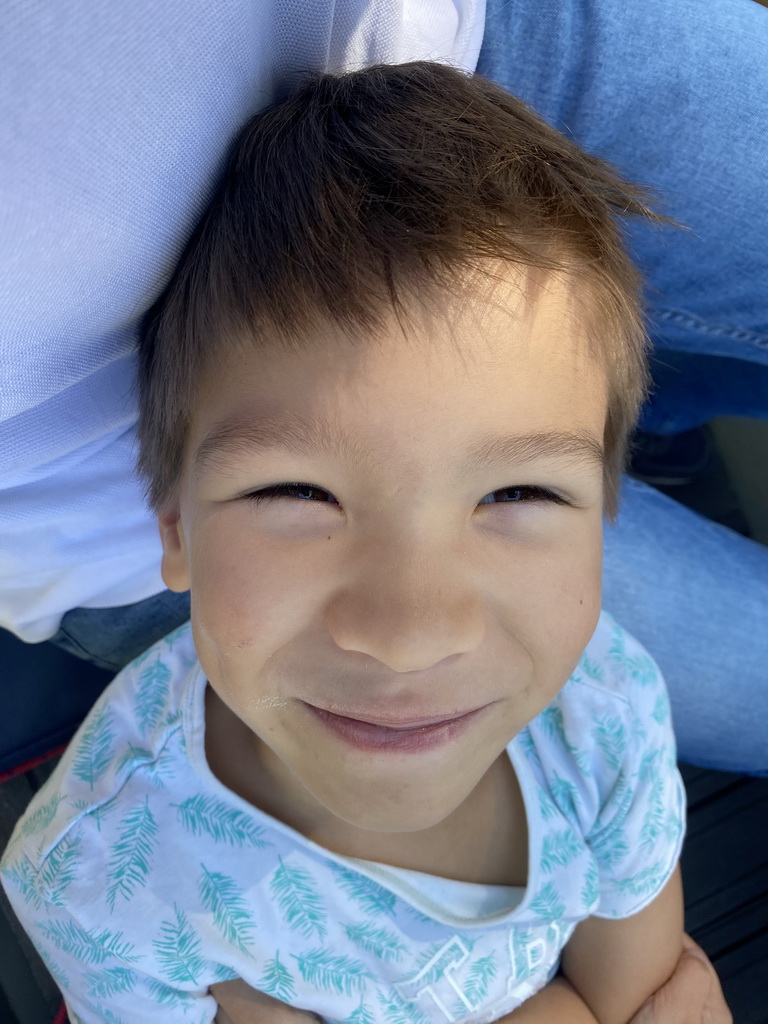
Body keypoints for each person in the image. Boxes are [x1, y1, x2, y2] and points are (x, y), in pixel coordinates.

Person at [1, 62, 713, 1024]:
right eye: (297, 491)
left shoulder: (606, 710)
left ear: (605, 514)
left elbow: (647, 993)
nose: (410, 633)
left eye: (519, 490)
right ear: (174, 528)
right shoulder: (103, 889)